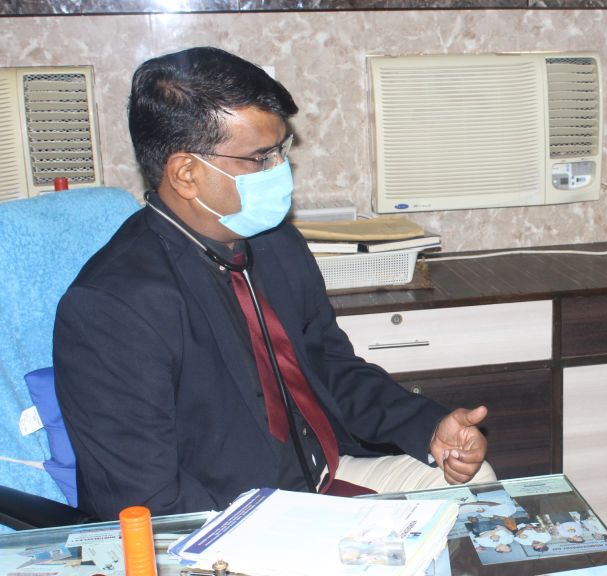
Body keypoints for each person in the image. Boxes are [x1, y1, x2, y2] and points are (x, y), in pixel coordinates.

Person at [53, 47, 494, 522]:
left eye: (282, 150)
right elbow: (149, 501)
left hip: (321, 477)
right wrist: (290, 538)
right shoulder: (113, 308)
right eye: (261, 157)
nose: (281, 170)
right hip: (226, 519)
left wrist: (428, 426)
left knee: (473, 488)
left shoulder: (275, 243)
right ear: (186, 174)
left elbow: (329, 368)